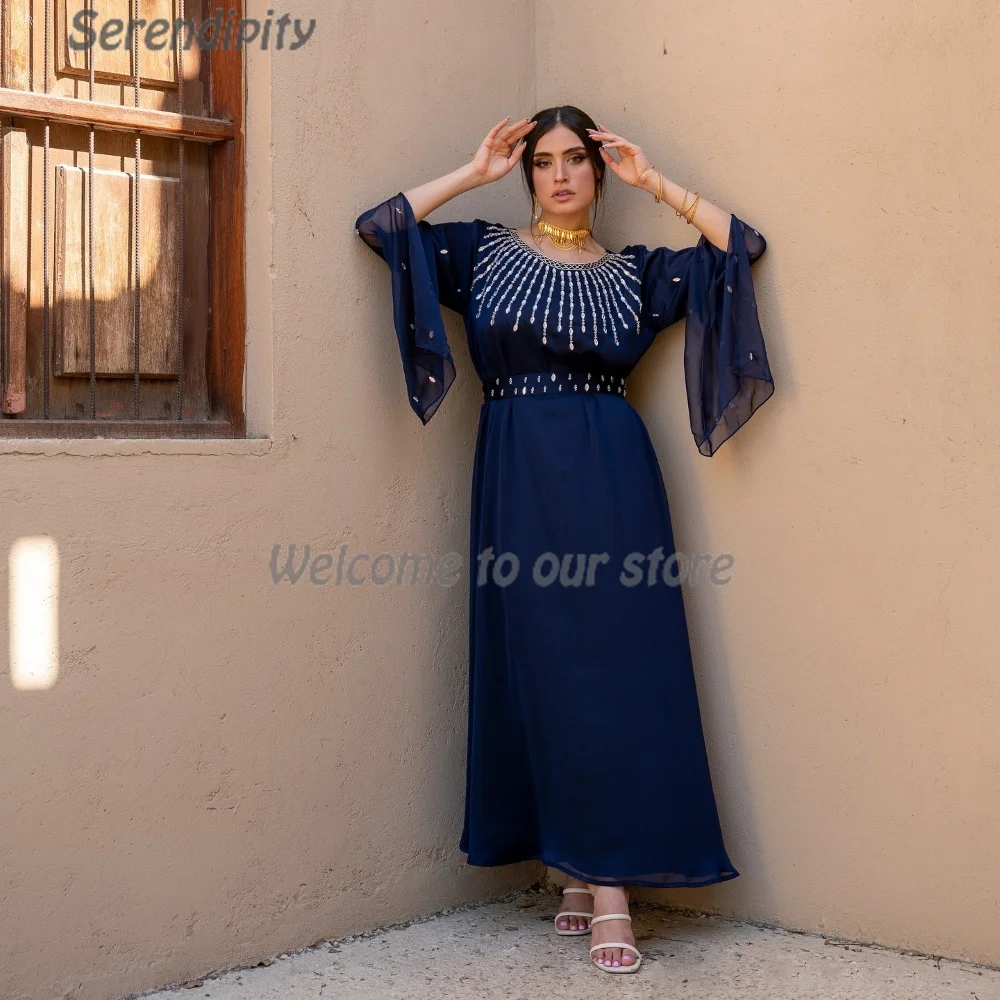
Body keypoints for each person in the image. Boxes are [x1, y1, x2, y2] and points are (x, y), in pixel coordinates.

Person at [354, 105, 774, 975]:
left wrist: (655, 182)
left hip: (615, 481)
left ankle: (605, 880)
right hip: (516, 478)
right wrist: (471, 172)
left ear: (598, 171)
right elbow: (380, 226)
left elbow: (745, 247)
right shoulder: (477, 254)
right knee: (543, 666)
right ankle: (577, 867)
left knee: (618, 666)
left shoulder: (635, 276)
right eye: (543, 161)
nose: (560, 174)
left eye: (577, 159)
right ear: (527, 174)